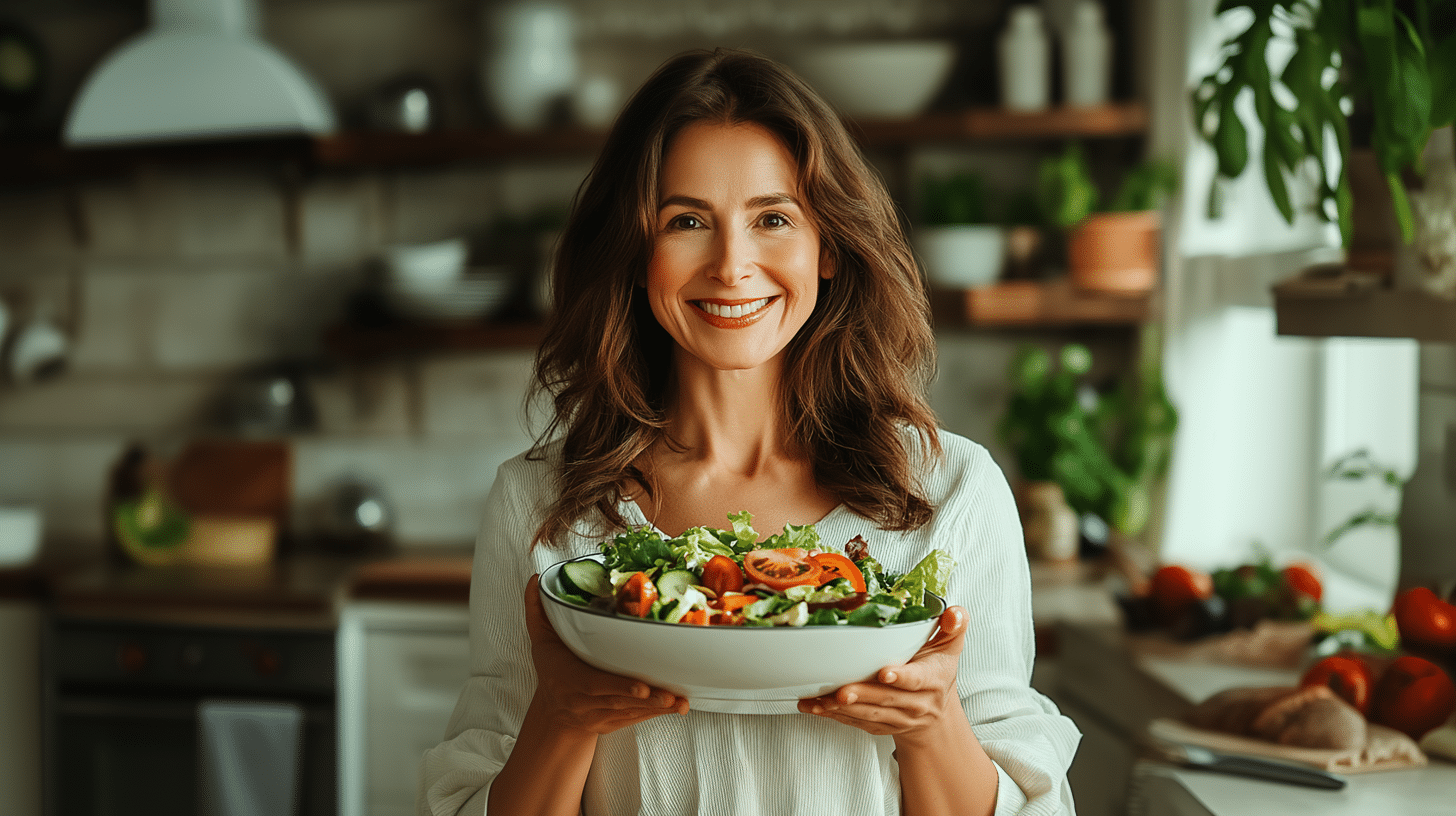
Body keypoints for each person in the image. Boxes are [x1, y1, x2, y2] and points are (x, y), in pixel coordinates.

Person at [417, 47, 1080, 816]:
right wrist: (562, 717)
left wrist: (933, 726)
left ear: (827, 246)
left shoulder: (951, 492)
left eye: (773, 219)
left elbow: (1036, 805)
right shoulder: (541, 506)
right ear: (636, 254)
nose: (733, 265)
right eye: (687, 221)